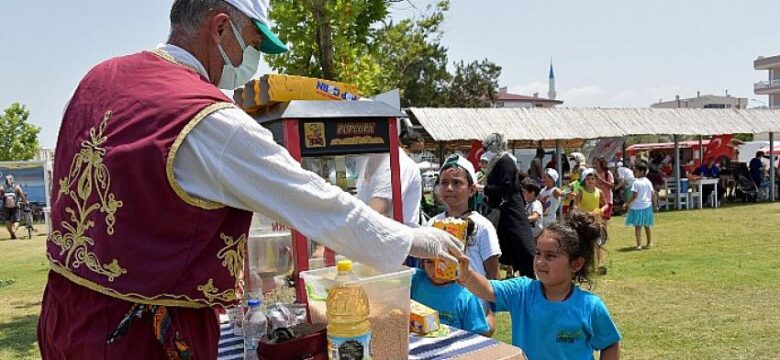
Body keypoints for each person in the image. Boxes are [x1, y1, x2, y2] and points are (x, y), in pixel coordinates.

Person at [37, 1, 463, 358]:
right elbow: (313, 200)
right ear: (221, 27)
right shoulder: (206, 118)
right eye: (254, 44)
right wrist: (410, 241)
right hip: (140, 335)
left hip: (64, 311)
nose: (252, 62)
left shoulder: (101, 77)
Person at [456, 211, 622, 360]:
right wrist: (466, 274)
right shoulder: (521, 291)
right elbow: (487, 289)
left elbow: (610, 344)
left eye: (550, 256)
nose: (540, 261)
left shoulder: (590, 306)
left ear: (576, 264)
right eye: (538, 253)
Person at [427, 154, 501, 335]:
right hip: (440, 308)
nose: (449, 188)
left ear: (472, 189)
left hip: (473, 310)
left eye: (457, 183)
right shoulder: (432, 224)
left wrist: (491, 314)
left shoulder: (483, 226)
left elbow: (493, 273)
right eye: (444, 182)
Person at [481, 133, 536, 279]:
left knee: (522, 245)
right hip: (505, 212)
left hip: (511, 211)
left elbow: (505, 186)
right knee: (509, 246)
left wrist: (484, 189)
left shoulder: (505, 161)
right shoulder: (498, 161)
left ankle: (531, 278)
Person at [356, 131, 423, 227]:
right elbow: (375, 209)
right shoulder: (373, 162)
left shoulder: (400, 163)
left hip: (393, 235)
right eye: (416, 152)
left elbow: (378, 210)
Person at [411, 259, 490, 336]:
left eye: (443, 262)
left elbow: (478, 335)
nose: (436, 268)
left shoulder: (467, 297)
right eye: (429, 261)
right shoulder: (415, 279)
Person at [574, 169, 609, 275]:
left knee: (598, 243)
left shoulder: (599, 192)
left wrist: (600, 211)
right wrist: (585, 213)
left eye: (592, 179)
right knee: (586, 244)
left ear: (596, 180)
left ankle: (600, 265)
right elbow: (575, 206)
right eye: (588, 179)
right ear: (584, 180)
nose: (590, 181)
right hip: (584, 221)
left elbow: (606, 204)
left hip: (596, 221)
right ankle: (585, 266)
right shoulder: (581, 191)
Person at [623, 161, 656, 250]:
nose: (633, 173)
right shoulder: (648, 181)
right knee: (647, 226)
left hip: (637, 207)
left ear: (641, 172)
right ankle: (649, 242)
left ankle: (639, 245)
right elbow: (653, 194)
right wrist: (655, 204)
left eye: (635, 171)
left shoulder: (636, 182)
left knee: (638, 227)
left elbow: (634, 195)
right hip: (647, 206)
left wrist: (627, 203)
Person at [1, 175, 26, 240]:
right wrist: (25, 202)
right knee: (17, 220)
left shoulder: (2, 188)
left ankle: (12, 234)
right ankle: (13, 231)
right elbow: (22, 195)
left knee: (7, 220)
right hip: (15, 206)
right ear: (13, 180)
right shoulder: (17, 187)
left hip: (5, 206)